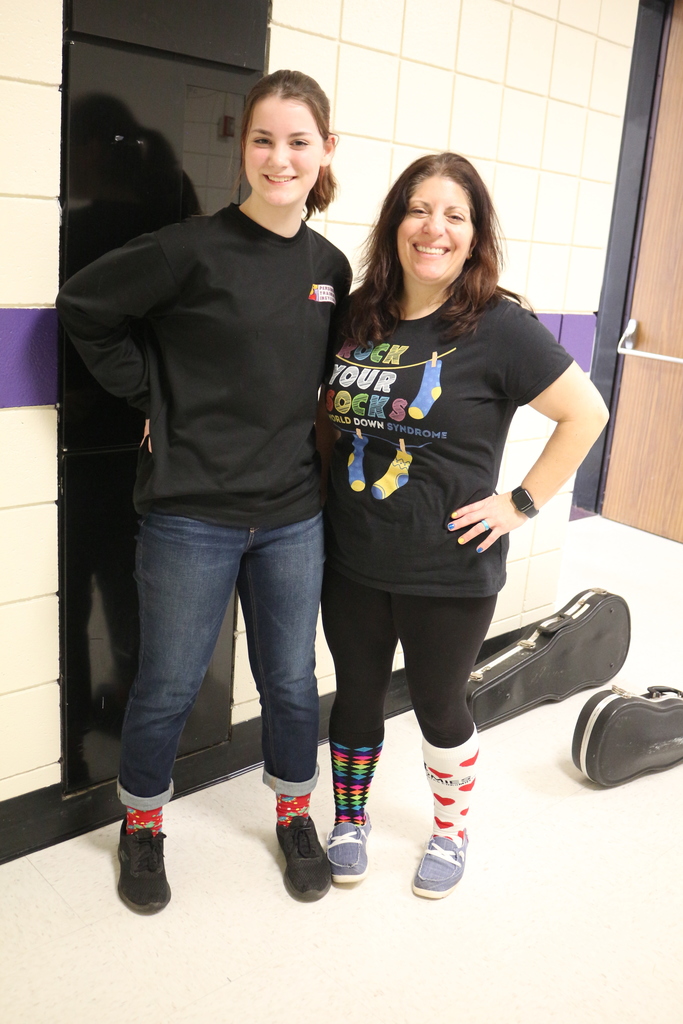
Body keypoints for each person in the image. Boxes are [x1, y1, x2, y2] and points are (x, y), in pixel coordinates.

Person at [56, 70, 351, 911]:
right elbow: (85, 307)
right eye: (264, 139)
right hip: (191, 516)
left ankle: (296, 812)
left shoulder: (328, 267)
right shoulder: (189, 248)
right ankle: (142, 827)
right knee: (169, 684)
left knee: (292, 682)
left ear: (326, 150)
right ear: (242, 147)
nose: (279, 157)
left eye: (298, 141)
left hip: (293, 517)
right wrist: (151, 397)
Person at [318, 152, 609, 899]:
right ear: (395, 222)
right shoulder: (357, 315)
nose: (432, 228)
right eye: (418, 209)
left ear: (474, 233)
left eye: (453, 214)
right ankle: (348, 821)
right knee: (353, 696)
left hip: (448, 563)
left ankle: (450, 830)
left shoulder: (498, 326)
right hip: (351, 552)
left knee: (439, 705)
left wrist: (518, 503)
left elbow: (586, 413)